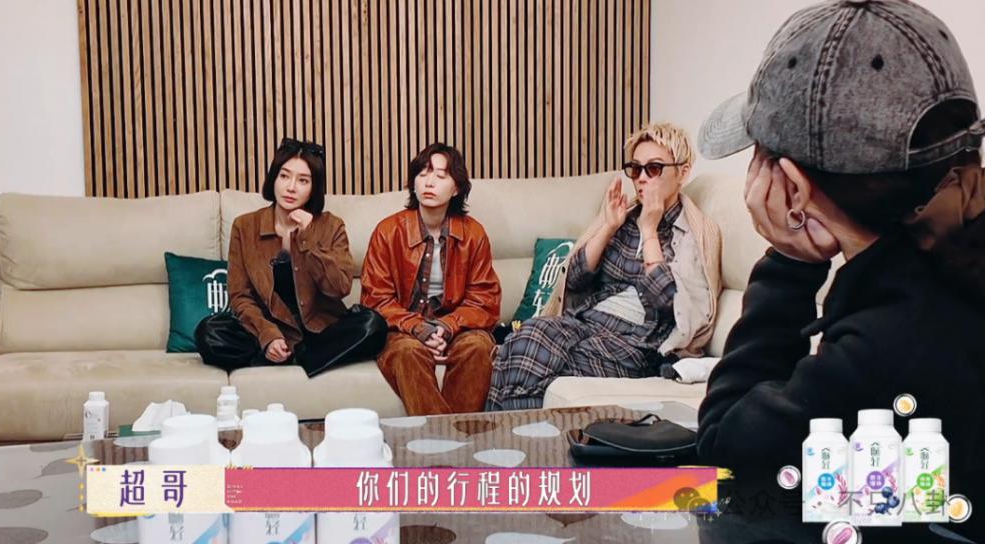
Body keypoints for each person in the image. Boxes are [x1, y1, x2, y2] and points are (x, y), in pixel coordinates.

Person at [695, 1, 984, 541]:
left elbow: (727, 456)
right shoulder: (943, 279)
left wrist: (788, 261)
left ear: (793, 188)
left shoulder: (890, 341)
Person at [486, 122, 722, 411]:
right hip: (587, 324)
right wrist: (609, 227)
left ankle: (503, 434)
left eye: (654, 168)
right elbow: (573, 280)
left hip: (638, 345)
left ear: (683, 172)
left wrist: (649, 230)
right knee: (526, 336)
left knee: (526, 351)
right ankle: (519, 435)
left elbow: (670, 304)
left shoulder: (693, 233)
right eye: (636, 169)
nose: (642, 178)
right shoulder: (625, 216)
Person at [195, 138, 387, 376]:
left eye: (303, 180)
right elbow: (240, 296)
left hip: (321, 332)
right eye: (284, 176)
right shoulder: (245, 227)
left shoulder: (331, 225)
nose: (291, 187)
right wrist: (267, 336)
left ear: (314, 187)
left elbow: (340, 288)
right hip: (270, 330)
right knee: (208, 332)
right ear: (274, 178)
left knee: (373, 325)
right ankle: (291, 355)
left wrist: (307, 239)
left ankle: (295, 357)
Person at [362, 143, 501, 416]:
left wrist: (446, 327)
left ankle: (443, 438)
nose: (429, 182)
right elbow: (375, 298)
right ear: (413, 183)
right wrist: (418, 328)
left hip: (458, 328)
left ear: (456, 188)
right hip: (402, 329)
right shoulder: (388, 231)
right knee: (408, 353)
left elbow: (484, 299)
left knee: (477, 347)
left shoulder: (474, 234)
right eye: (423, 174)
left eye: (440, 175)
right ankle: (452, 438)